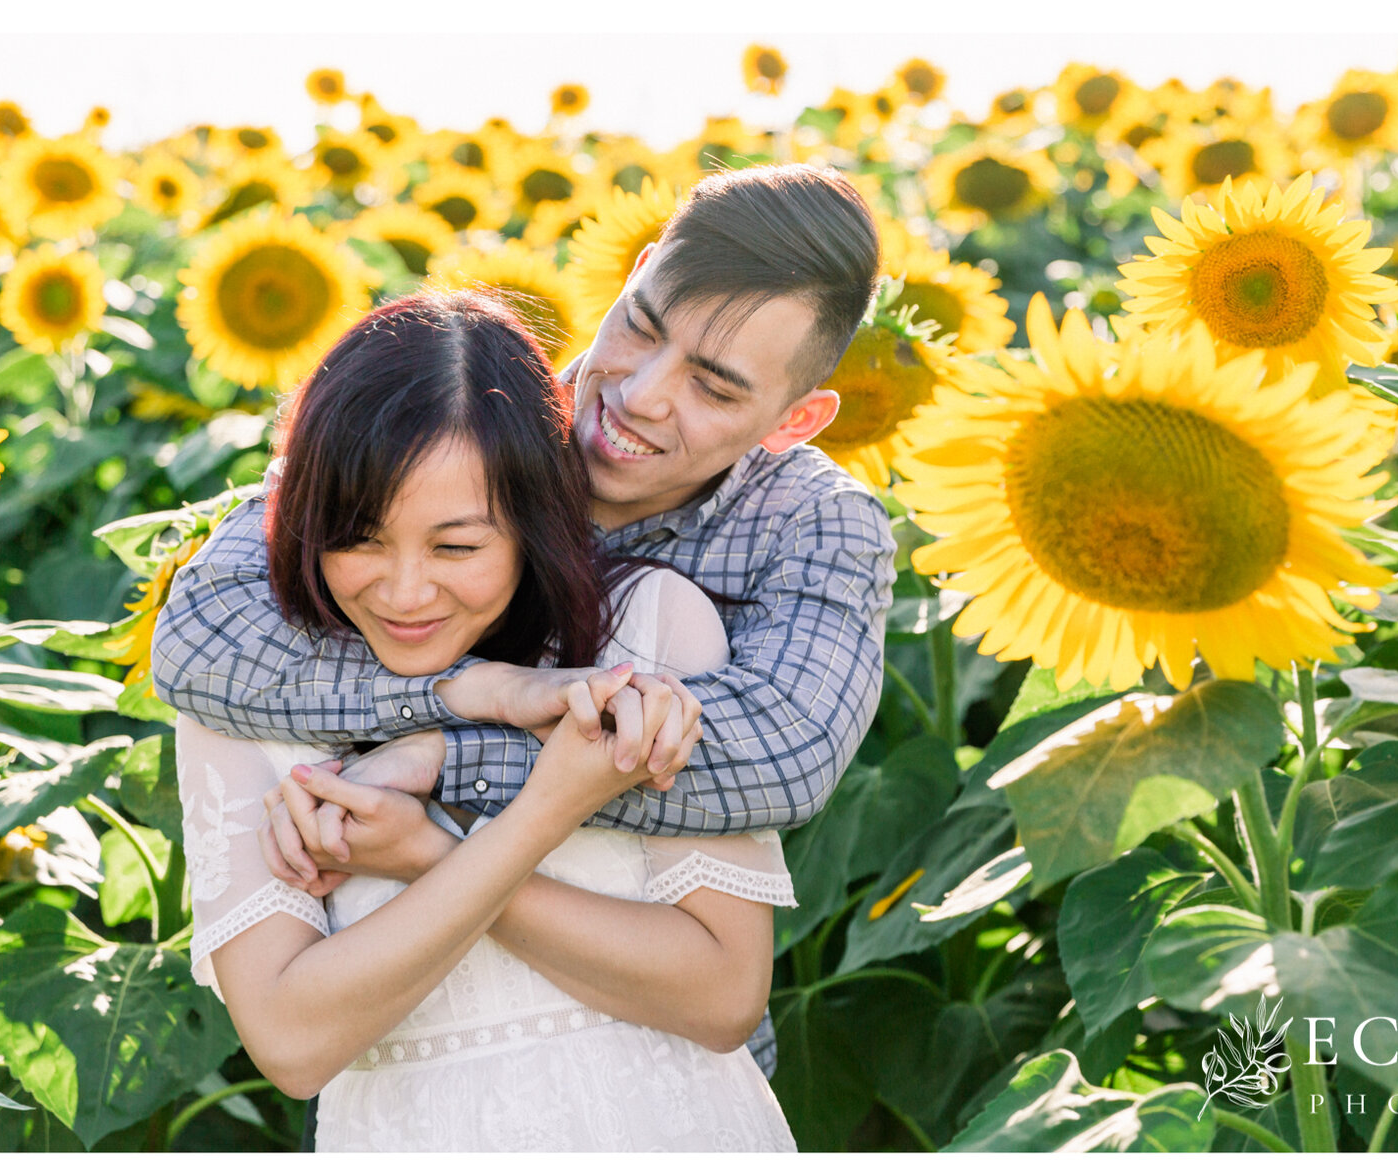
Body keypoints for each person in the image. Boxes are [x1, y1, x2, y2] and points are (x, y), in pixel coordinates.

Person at [154, 163, 892, 1078]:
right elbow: (203, 637)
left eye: (715, 387)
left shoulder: (809, 523)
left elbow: (783, 754)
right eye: (643, 327)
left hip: (665, 1067)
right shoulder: (471, 411)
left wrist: (438, 759)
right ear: (639, 270)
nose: (640, 394)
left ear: (796, 420)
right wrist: (488, 691)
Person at [177, 289, 801, 1149]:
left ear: (534, 524)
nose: (402, 592)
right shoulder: (242, 690)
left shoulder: (650, 630)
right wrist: (543, 811)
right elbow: (292, 1039)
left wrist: (428, 854)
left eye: (457, 547)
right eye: (358, 538)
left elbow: (724, 996)